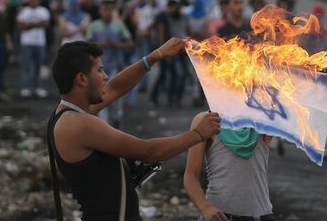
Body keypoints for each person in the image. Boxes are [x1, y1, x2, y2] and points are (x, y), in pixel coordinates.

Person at [48, 38, 221, 220]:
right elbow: (151, 152)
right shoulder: (79, 124)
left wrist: (155, 56)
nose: (106, 76)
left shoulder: (67, 112)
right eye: (100, 70)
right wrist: (198, 134)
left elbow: (115, 88)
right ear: (82, 79)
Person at [183, 78, 327, 221]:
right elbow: (190, 176)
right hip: (220, 218)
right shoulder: (206, 121)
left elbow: (298, 107)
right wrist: (206, 208)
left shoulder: (262, 121)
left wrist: (324, 92)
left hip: (261, 217)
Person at [86, 0, 133, 126]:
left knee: (116, 91)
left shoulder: (119, 25)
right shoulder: (94, 25)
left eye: (109, 9)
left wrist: (115, 44)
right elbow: (87, 43)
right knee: (101, 92)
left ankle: (117, 116)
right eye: (104, 9)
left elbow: (129, 42)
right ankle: (103, 123)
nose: (107, 12)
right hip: (98, 66)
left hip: (115, 64)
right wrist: (100, 44)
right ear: (100, 11)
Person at [150, 0, 190, 107]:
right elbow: (161, 34)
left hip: (182, 49)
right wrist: (163, 51)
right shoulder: (163, 17)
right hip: (169, 50)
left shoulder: (183, 17)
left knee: (179, 74)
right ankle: (156, 98)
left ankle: (175, 98)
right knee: (166, 74)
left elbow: (186, 31)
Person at [17, 0, 51, 98]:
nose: (35, 1)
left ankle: (37, 87)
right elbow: (21, 27)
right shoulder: (24, 11)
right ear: (29, 0)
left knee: (38, 66)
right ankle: (26, 88)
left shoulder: (44, 10)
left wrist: (29, 24)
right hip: (27, 42)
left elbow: (46, 24)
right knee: (26, 66)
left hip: (39, 42)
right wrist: (37, 24)